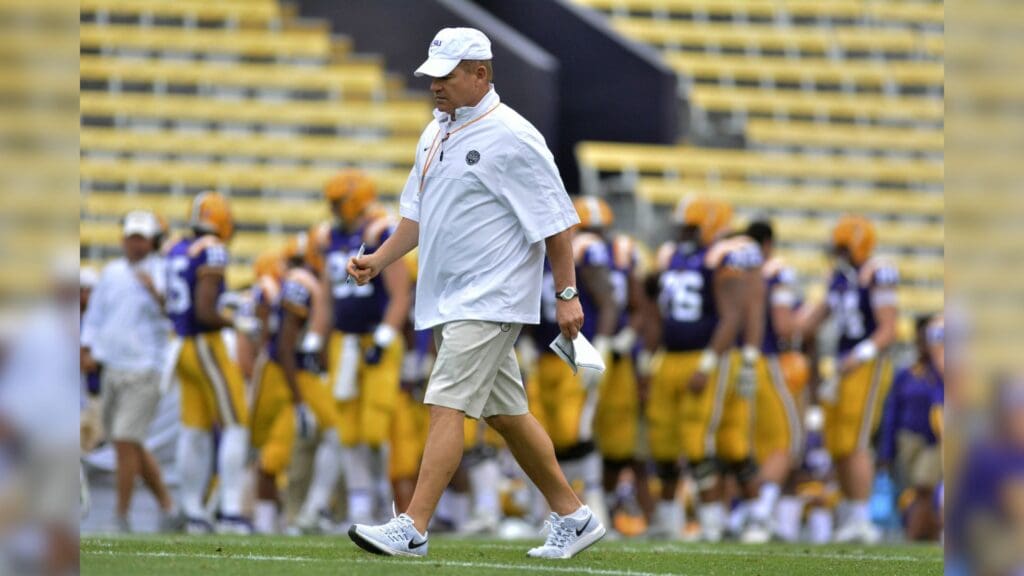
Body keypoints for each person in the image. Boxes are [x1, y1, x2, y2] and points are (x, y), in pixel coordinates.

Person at [345, 27, 605, 559]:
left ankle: (413, 527)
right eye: (432, 75)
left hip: (489, 298)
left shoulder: (513, 135)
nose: (434, 85)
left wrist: (567, 294)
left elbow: (556, 222)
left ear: (480, 74)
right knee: (506, 415)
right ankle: (574, 515)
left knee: (444, 404)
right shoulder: (434, 131)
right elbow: (416, 216)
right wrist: (380, 260)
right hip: (449, 299)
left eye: (446, 75)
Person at [644, 197, 765, 542]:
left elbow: (734, 315)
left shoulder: (724, 256)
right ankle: (668, 519)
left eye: (690, 228)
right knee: (663, 443)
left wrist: (710, 363)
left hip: (704, 356)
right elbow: (653, 304)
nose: (682, 234)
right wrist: (647, 356)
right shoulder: (671, 256)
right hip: (670, 356)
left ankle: (715, 521)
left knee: (700, 442)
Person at [309, 170, 412, 528]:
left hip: (376, 338)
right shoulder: (330, 237)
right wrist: (314, 339)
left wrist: (384, 338)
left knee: (375, 429)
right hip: (345, 341)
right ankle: (360, 508)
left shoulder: (379, 231)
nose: (333, 208)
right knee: (348, 430)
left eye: (339, 202)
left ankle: (385, 506)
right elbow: (326, 297)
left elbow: (400, 294)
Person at [797, 215, 899, 544]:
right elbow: (813, 319)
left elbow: (889, 329)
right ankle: (849, 514)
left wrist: (860, 355)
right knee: (838, 442)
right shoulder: (839, 277)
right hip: (843, 365)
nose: (837, 254)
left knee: (855, 441)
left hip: (867, 363)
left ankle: (861, 518)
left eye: (843, 248)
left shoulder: (877, 273)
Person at [79, 210, 177, 532]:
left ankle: (120, 516)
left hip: (145, 368)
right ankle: (168, 506)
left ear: (153, 242)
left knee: (124, 439)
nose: (135, 244)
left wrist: (156, 293)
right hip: (113, 367)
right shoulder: (112, 272)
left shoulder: (163, 272)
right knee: (129, 442)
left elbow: (177, 314)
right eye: (131, 237)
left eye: (141, 238)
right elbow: (95, 315)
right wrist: (86, 347)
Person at [165, 192, 251, 533]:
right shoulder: (212, 248)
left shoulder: (177, 248)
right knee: (236, 422)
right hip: (204, 343)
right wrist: (235, 322)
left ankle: (193, 512)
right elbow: (204, 311)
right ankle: (230, 511)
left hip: (180, 344)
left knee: (194, 428)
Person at [744, 220, 808, 541]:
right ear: (768, 243)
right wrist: (809, 317)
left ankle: (738, 514)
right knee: (786, 442)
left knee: (748, 445)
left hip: (735, 363)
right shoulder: (776, 271)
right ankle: (759, 513)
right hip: (767, 362)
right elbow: (784, 326)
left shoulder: (733, 267)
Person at [878, 314, 944, 540]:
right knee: (914, 491)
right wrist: (886, 452)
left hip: (936, 441)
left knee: (925, 485)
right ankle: (926, 533)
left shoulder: (942, 371)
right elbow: (892, 413)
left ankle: (914, 535)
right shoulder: (906, 375)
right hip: (907, 441)